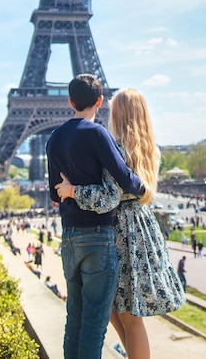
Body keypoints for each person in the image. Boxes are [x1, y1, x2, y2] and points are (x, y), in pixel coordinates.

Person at [55, 88, 185, 359]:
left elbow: (108, 197)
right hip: (141, 227)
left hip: (119, 230)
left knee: (123, 314)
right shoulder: (150, 150)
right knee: (122, 312)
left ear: (119, 113)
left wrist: (72, 190)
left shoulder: (117, 150)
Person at [46, 75, 144, 359]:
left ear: (70, 102)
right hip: (98, 238)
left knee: (74, 319)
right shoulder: (97, 133)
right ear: (100, 102)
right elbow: (124, 179)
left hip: (69, 237)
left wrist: (70, 190)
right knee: (94, 324)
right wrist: (144, 188)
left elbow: (55, 194)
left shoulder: (55, 138)